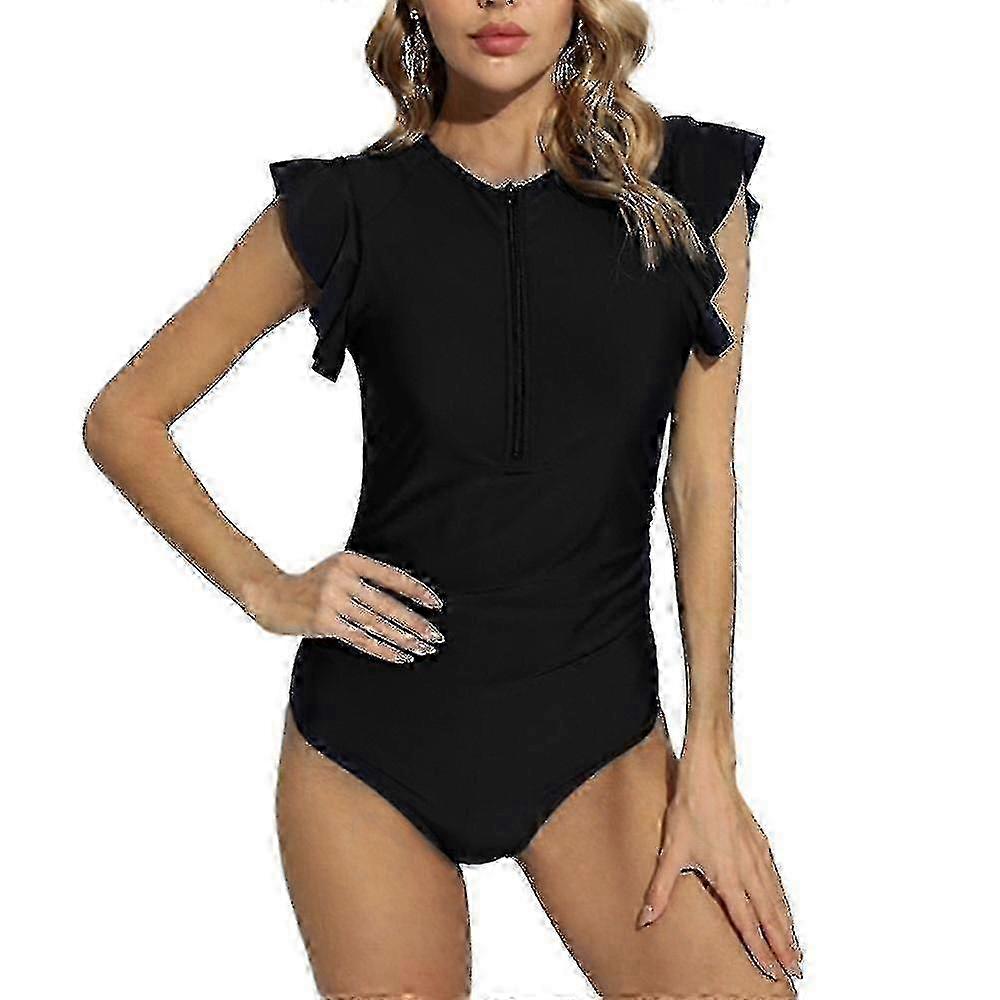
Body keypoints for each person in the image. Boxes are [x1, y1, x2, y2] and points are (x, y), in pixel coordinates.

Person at [84, 1, 803, 996]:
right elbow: (124, 417)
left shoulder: (685, 189)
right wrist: (267, 588)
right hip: (373, 746)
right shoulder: (348, 207)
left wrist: (711, 761)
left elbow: (701, 481)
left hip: (598, 736)